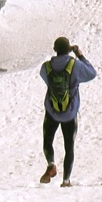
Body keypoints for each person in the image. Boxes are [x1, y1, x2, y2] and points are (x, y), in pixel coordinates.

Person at [39, 36, 96, 187]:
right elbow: (92, 73)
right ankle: (66, 181)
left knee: (47, 141)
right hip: (70, 113)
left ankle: (51, 164)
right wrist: (79, 55)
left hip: (51, 111)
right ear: (69, 48)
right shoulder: (75, 65)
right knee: (69, 146)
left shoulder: (46, 67)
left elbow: (44, 76)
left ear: (55, 49)